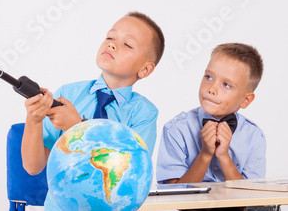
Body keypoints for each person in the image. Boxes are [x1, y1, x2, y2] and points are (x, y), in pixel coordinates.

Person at [21, 11, 165, 209]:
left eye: (127, 44)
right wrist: (34, 119)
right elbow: (32, 166)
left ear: (145, 69)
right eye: (110, 37)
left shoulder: (144, 113)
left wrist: (79, 127)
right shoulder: (67, 94)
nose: (112, 44)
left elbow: (131, 177)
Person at [157, 43, 266, 185]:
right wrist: (205, 155)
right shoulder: (175, 130)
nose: (212, 89)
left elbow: (252, 200)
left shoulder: (254, 137)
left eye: (226, 84)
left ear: (245, 100)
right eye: (208, 77)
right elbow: (172, 196)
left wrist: (224, 157)